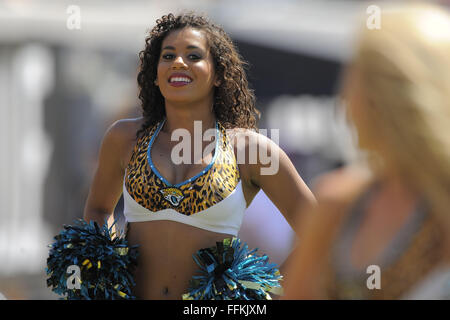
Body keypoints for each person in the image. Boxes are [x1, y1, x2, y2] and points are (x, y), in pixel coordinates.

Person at [83, 13, 316, 300]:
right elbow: (98, 209)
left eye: (193, 55)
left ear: (218, 74)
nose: (178, 62)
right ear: (155, 74)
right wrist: (106, 269)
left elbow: (321, 233)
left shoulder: (251, 150)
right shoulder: (124, 138)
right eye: (168, 56)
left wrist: (268, 291)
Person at [282, 2, 450, 299]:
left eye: (355, 82)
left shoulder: (441, 218)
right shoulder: (337, 204)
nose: (346, 103)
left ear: (386, 101)